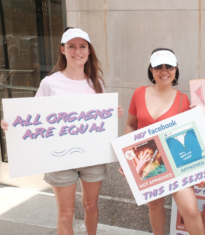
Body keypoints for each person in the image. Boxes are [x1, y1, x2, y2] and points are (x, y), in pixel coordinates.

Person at [1, 27, 123, 235]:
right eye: (72, 46)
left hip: (92, 157)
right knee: (66, 215)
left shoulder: (97, 82)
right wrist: (11, 122)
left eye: (82, 46)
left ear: (89, 50)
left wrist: (113, 113)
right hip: (58, 159)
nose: (78, 51)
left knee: (91, 206)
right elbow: (33, 117)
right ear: (63, 50)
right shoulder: (50, 83)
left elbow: (100, 118)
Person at [120, 48, 205, 235]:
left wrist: (198, 170)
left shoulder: (184, 99)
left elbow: (189, 137)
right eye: (158, 67)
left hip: (176, 161)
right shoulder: (138, 93)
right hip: (148, 161)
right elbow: (130, 126)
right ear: (151, 70)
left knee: (191, 210)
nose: (164, 71)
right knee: (154, 206)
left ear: (176, 70)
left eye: (169, 66)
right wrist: (128, 159)